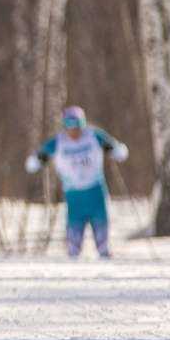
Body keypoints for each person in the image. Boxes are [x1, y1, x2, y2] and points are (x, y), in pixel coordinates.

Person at [25, 106, 128, 259]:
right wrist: (39, 159)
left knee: (101, 225)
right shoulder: (59, 142)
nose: (73, 131)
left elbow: (118, 151)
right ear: (65, 125)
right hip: (74, 194)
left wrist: (114, 149)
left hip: (95, 191)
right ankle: (73, 259)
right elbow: (35, 161)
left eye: (77, 125)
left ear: (83, 124)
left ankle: (104, 254)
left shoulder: (93, 136)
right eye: (69, 125)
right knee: (74, 233)